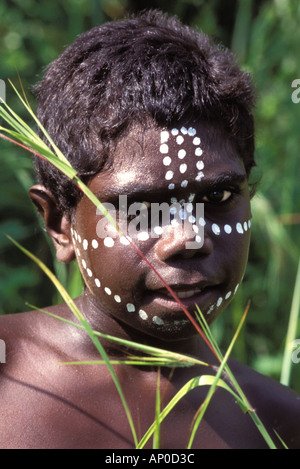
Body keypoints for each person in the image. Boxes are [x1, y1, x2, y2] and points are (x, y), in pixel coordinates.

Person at [0, 10, 299, 450]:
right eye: (139, 208)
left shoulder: (277, 422)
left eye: (216, 200)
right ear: (59, 222)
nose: (187, 237)